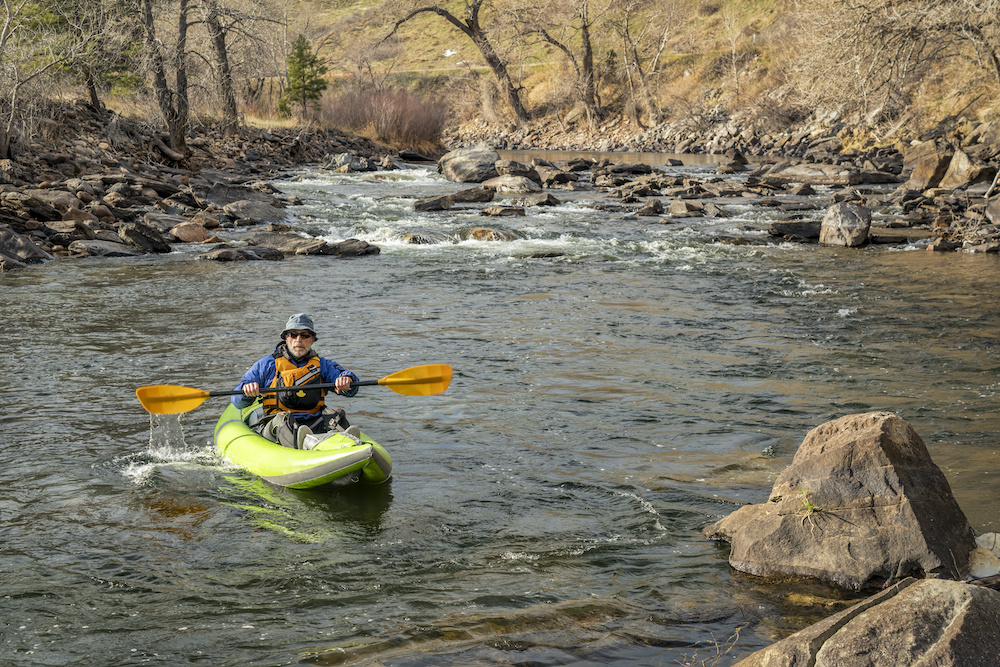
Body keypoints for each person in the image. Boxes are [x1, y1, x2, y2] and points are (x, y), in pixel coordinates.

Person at [233, 313, 360, 449]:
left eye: (305, 335)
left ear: (312, 340)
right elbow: (237, 401)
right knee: (282, 419)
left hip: (312, 423)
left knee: (336, 414)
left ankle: (350, 443)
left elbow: (350, 387)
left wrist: (347, 380)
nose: (299, 339)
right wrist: (247, 391)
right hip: (276, 427)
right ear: (286, 338)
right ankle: (302, 445)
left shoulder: (322, 365)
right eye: (293, 334)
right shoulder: (266, 364)